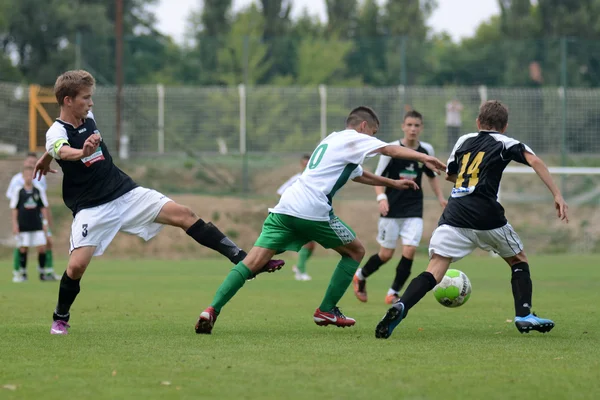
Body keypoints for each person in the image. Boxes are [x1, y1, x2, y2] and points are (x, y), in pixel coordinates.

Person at [34, 70, 284, 335]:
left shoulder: (88, 118)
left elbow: (54, 151)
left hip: (125, 193)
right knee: (76, 267)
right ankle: (60, 317)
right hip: (91, 208)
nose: (91, 103)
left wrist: (45, 159)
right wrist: (72, 153)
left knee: (184, 214)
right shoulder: (56, 132)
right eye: (86, 98)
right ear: (68, 100)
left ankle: (245, 260)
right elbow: (60, 147)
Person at [194, 106, 447, 335]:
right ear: (362, 127)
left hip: (285, 207)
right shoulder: (353, 138)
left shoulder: (333, 139)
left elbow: (358, 174)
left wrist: (391, 183)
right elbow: (388, 149)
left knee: (252, 262)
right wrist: (423, 157)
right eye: (373, 132)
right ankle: (326, 309)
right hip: (313, 209)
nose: (373, 138)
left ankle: (211, 310)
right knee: (356, 251)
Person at [375, 100, 569, 339]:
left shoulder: (464, 140)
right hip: (486, 213)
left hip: (455, 214)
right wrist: (557, 194)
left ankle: (402, 305)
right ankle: (524, 315)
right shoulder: (507, 143)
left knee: (434, 270)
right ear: (505, 126)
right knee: (518, 260)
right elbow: (535, 161)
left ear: (478, 122)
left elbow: (451, 176)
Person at [352, 110, 447, 304]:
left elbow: (431, 177)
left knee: (410, 250)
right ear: (403, 126)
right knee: (386, 254)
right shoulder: (391, 149)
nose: (413, 129)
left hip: (414, 208)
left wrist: (441, 198)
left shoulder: (426, 150)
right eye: (409, 125)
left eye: (416, 125)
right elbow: (378, 177)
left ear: (421, 128)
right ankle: (360, 275)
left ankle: (393, 292)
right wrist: (381, 198)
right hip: (391, 209)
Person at [6, 153, 57, 280]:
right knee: (22, 247)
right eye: (29, 162)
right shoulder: (17, 182)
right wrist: (15, 223)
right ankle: (19, 272)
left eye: (34, 162)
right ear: (25, 163)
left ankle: (47, 272)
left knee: (47, 243)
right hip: (24, 221)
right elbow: (14, 204)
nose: (31, 165)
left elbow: (43, 203)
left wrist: (47, 221)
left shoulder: (40, 180)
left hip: (38, 220)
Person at [276, 154, 315, 281]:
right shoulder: (297, 178)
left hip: (311, 215)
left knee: (311, 245)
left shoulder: (314, 178)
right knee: (307, 243)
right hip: (298, 214)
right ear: (301, 164)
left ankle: (299, 267)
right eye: (304, 163)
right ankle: (301, 271)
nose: (306, 166)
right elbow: (280, 191)